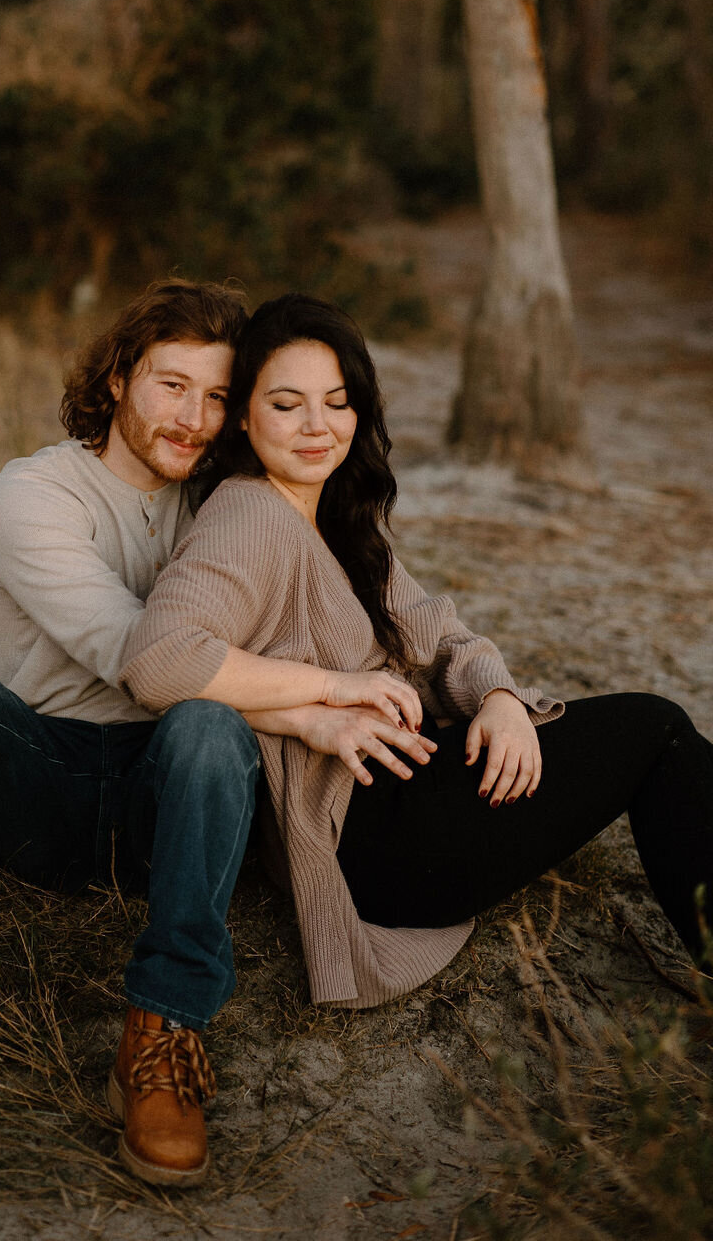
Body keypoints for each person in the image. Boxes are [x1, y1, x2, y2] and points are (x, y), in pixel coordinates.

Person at [0, 280, 425, 1189]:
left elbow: (336, 608)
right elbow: (141, 656)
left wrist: (479, 684)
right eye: (172, 386)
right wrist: (315, 708)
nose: (194, 418)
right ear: (120, 378)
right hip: (38, 788)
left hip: (173, 795)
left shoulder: (227, 501)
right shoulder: (32, 495)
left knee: (203, 721)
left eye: (215, 397)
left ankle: (164, 1030)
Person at [120, 293, 713, 1013]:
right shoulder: (248, 513)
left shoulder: (332, 514)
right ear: (243, 415)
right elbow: (158, 657)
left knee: (647, 734)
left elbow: (442, 635)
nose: (317, 426)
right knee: (655, 730)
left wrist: (498, 698)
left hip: (410, 799)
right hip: (379, 837)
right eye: (286, 404)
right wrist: (330, 692)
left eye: (337, 402)